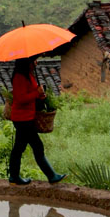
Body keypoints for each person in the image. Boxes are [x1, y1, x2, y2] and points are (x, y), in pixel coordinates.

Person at [8, 56, 67, 185]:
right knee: (35, 146)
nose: (36, 62)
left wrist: (40, 95)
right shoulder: (19, 77)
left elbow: (31, 94)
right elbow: (20, 98)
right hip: (22, 119)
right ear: (26, 62)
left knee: (19, 148)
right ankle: (51, 176)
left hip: (27, 117)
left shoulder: (29, 75)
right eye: (34, 60)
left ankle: (14, 176)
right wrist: (36, 93)